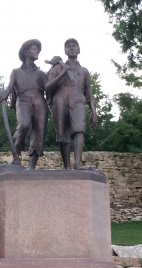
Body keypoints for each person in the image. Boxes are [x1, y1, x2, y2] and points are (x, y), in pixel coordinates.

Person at [45, 38, 97, 170]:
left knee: (79, 129)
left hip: (78, 100)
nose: (71, 48)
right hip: (60, 100)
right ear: (65, 50)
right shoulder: (57, 67)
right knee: (62, 134)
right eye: (68, 46)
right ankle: (67, 166)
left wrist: (94, 111)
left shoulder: (84, 71)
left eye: (74, 46)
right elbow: (47, 86)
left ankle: (78, 164)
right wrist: (62, 72)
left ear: (79, 49)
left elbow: (88, 92)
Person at [0, 39, 48, 169]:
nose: (37, 50)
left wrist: (57, 67)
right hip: (23, 101)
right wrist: (5, 92)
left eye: (38, 49)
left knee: (39, 133)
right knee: (24, 124)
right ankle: (16, 157)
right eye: (34, 48)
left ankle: (31, 167)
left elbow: (50, 87)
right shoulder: (16, 72)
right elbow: (10, 87)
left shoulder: (41, 74)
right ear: (26, 52)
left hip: (39, 103)